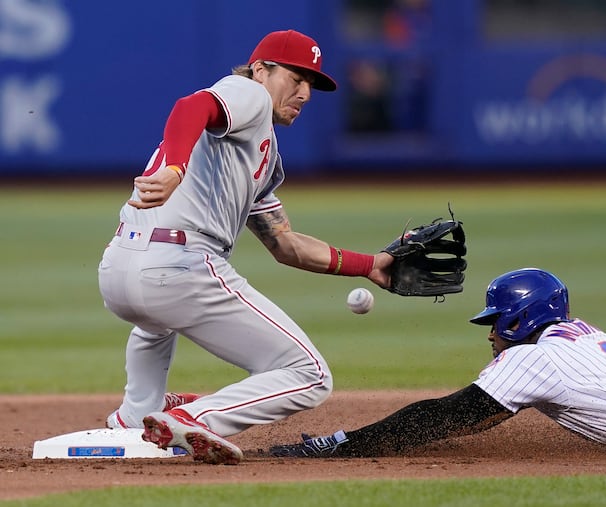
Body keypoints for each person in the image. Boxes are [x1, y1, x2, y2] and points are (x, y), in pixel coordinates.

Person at [97, 29, 394, 465]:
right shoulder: (249, 95)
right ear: (261, 69)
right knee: (309, 376)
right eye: (296, 77)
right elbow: (191, 106)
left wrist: (369, 265)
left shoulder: (259, 150)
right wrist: (176, 168)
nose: (305, 93)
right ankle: (199, 418)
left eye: (312, 84)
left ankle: (136, 414)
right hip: (178, 267)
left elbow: (285, 244)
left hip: (120, 268)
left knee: (156, 322)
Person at [269, 268, 606, 457]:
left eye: (498, 320)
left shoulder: (533, 359)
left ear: (524, 318)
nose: (492, 333)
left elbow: (446, 416)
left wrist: (341, 443)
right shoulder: (579, 333)